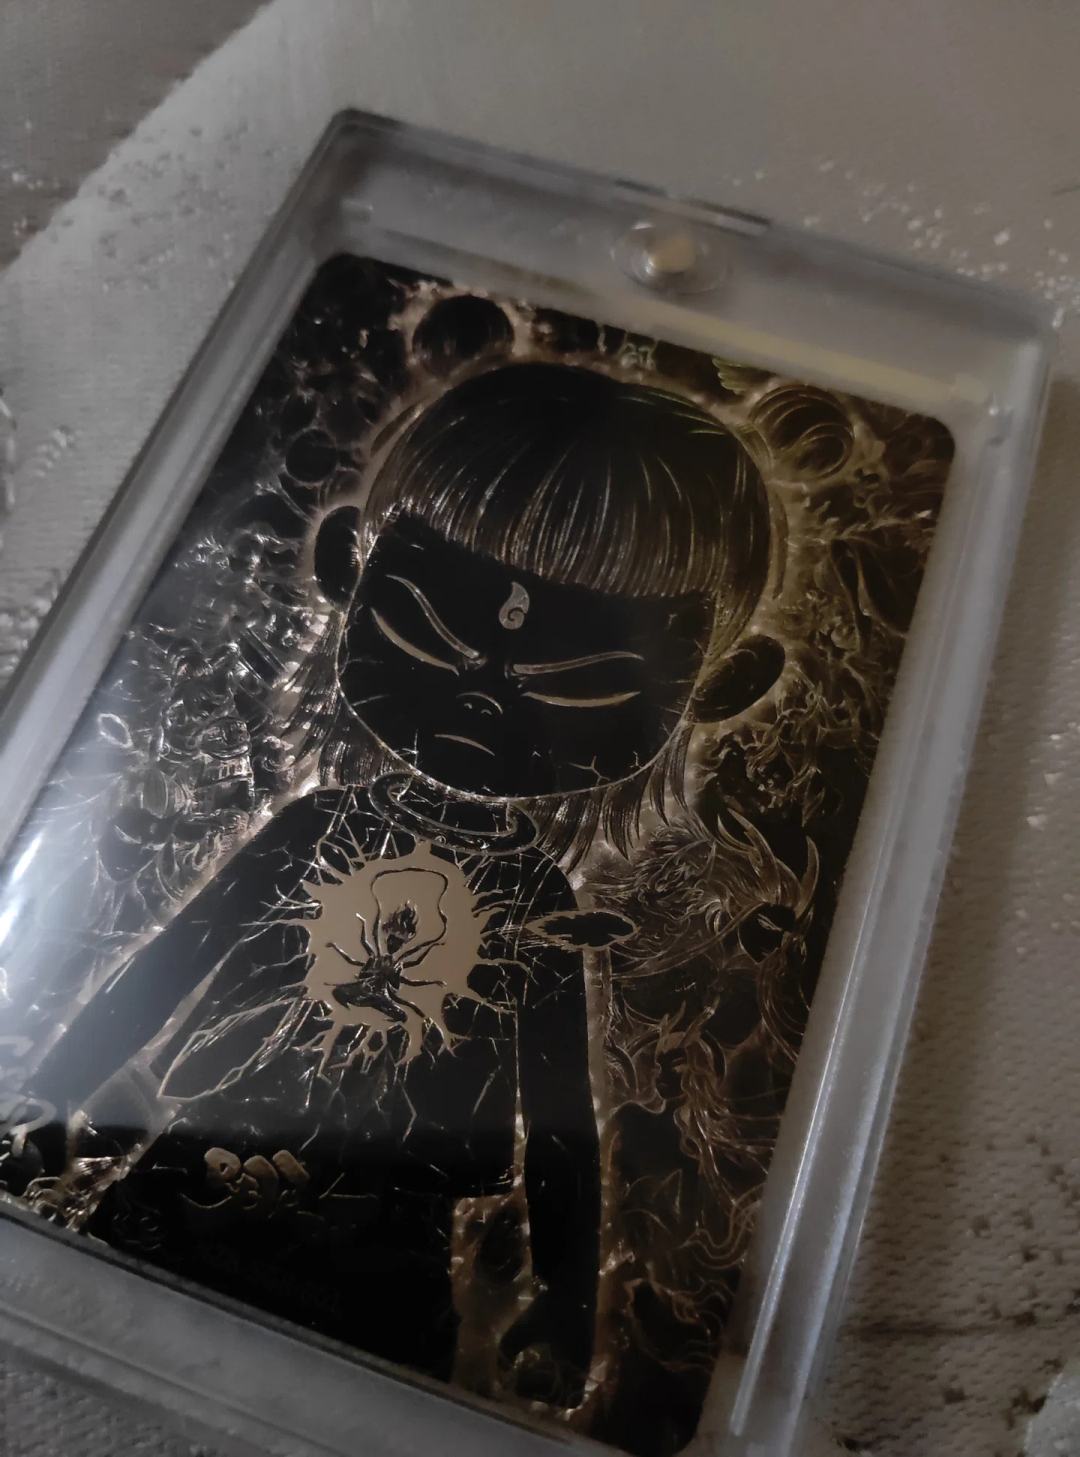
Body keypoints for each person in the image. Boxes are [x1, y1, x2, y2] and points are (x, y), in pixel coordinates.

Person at [4, 362, 773, 1406]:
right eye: (425, 629)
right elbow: (166, 968)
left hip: (383, 1250)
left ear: (718, 689)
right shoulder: (315, 828)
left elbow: (560, 1123)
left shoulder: (537, 903)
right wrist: (49, 1100)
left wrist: (563, 1302)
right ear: (345, 571)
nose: (485, 693)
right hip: (192, 1180)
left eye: (582, 680)